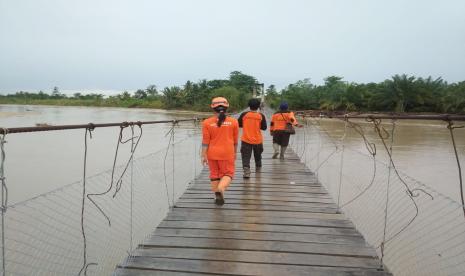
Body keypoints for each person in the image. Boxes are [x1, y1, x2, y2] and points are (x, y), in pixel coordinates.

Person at [201, 97, 239, 206]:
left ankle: (216, 195)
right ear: (227, 107)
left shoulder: (207, 122)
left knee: (214, 174)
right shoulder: (234, 122)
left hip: (212, 153)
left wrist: (203, 155)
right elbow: (235, 141)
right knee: (228, 173)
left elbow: (205, 141)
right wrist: (235, 153)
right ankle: (221, 189)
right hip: (227, 152)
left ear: (213, 108)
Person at [238, 98, 267, 178]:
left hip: (246, 139)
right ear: (258, 106)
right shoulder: (261, 116)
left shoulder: (244, 115)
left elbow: (239, 124)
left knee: (245, 156)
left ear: (249, 106)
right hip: (258, 140)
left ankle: (246, 171)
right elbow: (264, 128)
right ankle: (258, 170)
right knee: (258, 156)